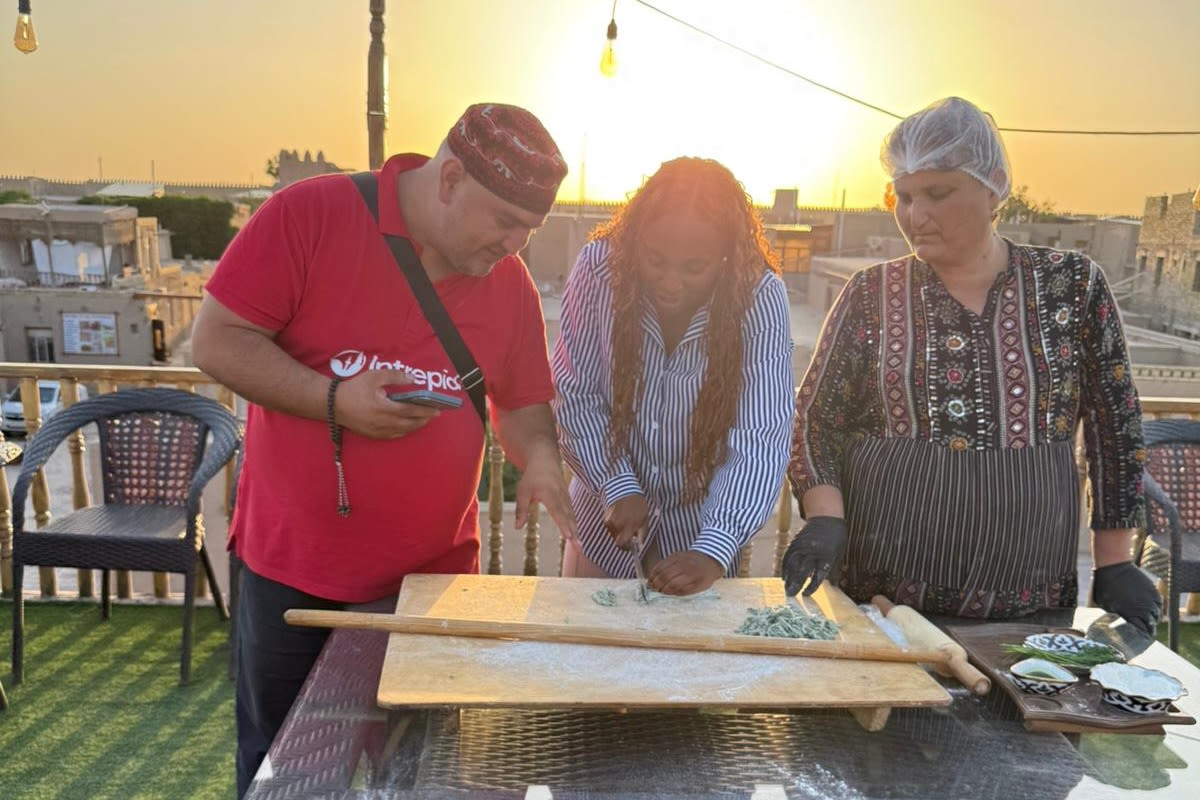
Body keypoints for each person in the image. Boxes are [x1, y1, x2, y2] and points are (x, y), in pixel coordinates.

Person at [190, 102, 577, 797]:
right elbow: (216, 341)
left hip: (428, 586)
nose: (515, 244)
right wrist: (334, 400)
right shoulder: (309, 215)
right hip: (291, 574)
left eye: (530, 228)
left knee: (423, 776)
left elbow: (521, 406)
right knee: (286, 775)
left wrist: (542, 459)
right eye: (505, 220)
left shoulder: (510, 286)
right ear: (450, 179)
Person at [783, 97, 1161, 635]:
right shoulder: (871, 294)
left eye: (937, 194)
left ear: (994, 185)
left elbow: (1114, 425)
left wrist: (1116, 561)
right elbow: (816, 419)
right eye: (904, 196)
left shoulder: (1072, 286)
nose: (915, 215)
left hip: (1029, 600)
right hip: (885, 601)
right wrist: (824, 518)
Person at [552, 157, 794, 595]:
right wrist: (615, 484)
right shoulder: (598, 270)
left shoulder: (759, 297)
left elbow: (760, 437)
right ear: (636, 238)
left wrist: (715, 548)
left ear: (724, 258)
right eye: (655, 260)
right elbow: (575, 393)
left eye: (693, 268)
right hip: (604, 538)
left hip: (699, 544)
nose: (670, 282)